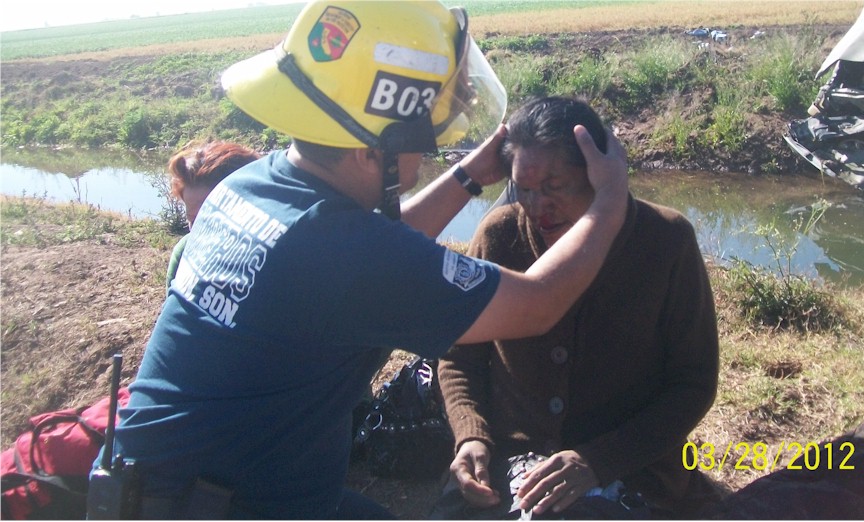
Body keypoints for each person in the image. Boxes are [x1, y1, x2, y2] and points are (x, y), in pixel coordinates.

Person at [89, 3, 629, 519]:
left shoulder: (259, 184)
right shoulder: (340, 250)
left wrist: (466, 177)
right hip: (216, 507)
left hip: (162, 482)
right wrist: (609, 200)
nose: (430, 153)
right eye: (426, 141)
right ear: (375, 148)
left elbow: (372, 250)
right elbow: (538, 304)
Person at [434, 97, 722, 520]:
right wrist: (472, 437)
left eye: (554, 187)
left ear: (598, 173)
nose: (536, 206)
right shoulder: (498, 237)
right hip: (509, 460)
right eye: (524, 189)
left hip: (635, 467)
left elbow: (693, 382)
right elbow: (460, 354)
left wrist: (598, 461)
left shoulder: (666, 240)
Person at [165, 140, 260, 287]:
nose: (200, 231)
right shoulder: (185, 253)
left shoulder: (281, 256)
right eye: (193, 219)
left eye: (212, 220)